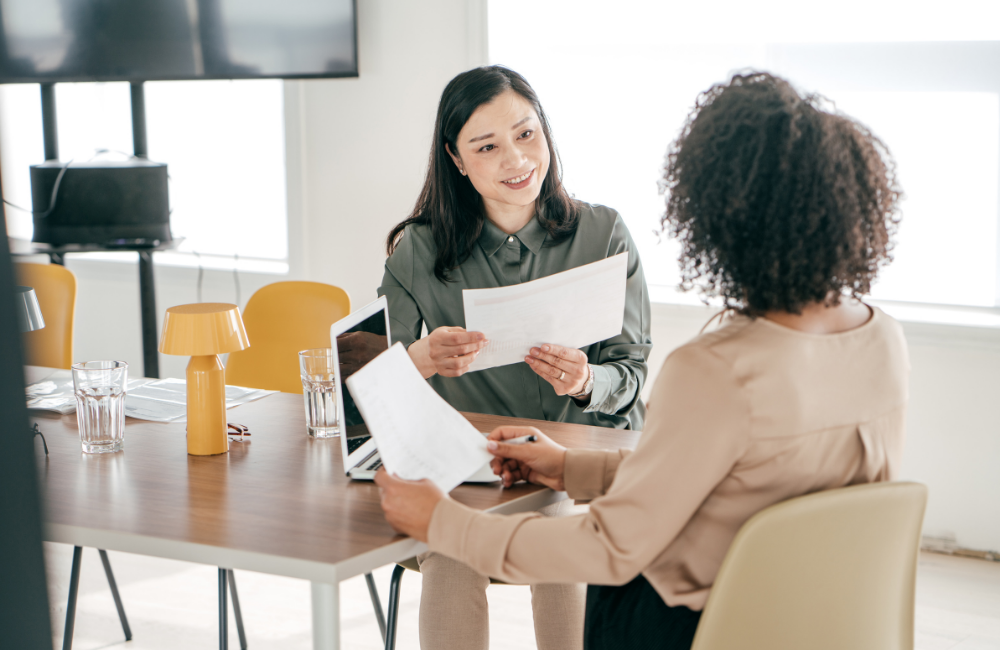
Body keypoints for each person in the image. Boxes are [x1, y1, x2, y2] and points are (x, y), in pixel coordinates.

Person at [375, 71, 908, 650]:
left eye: (526, 133)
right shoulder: (885, 342)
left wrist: (443, 522)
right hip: (819, 622)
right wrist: (570, 468)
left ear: (711, 217)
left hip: (699, 625)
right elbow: (727, 480)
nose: (514, 157)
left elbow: (607, 548)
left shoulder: (712, 370)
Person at [377, 66, 652, 650]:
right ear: (456, 158)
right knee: (451, 552)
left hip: (571, 461)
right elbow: (372, 383)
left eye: (527, 134)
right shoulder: (418, 250)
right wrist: (422, 358)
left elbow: (629, 374)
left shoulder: (602, 233)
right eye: (488, 146)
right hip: (471, 468)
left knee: (559, 546)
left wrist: (586, 380)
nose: (516, 159)